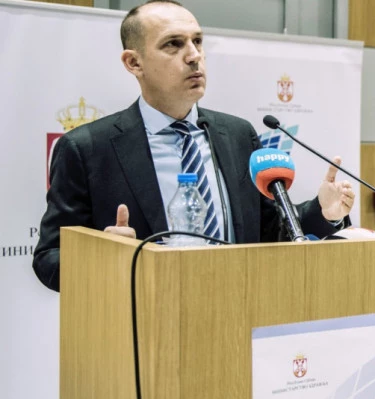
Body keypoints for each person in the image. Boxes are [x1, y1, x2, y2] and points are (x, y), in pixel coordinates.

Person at [33, 0, 355, 292]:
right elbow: (49, 258)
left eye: (197, 41)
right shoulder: (87, 149)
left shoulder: (237, 135)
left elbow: (270, 230)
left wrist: (322, 211)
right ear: (134, 63)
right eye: (173, 44)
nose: (193, 55)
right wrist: (101, 256)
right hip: (147, 320)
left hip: (241, 309)